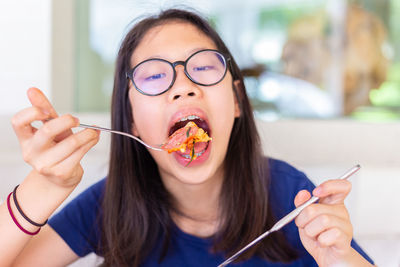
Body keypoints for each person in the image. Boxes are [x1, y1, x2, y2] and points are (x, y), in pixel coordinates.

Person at [0, 8, 374, 267]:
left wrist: (340, 259)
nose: (183, 87)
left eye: (204, 67)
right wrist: (45, 186)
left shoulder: (288, 196)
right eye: (153, 76)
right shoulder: (110, 205)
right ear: (131, 122)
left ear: (237, 101)